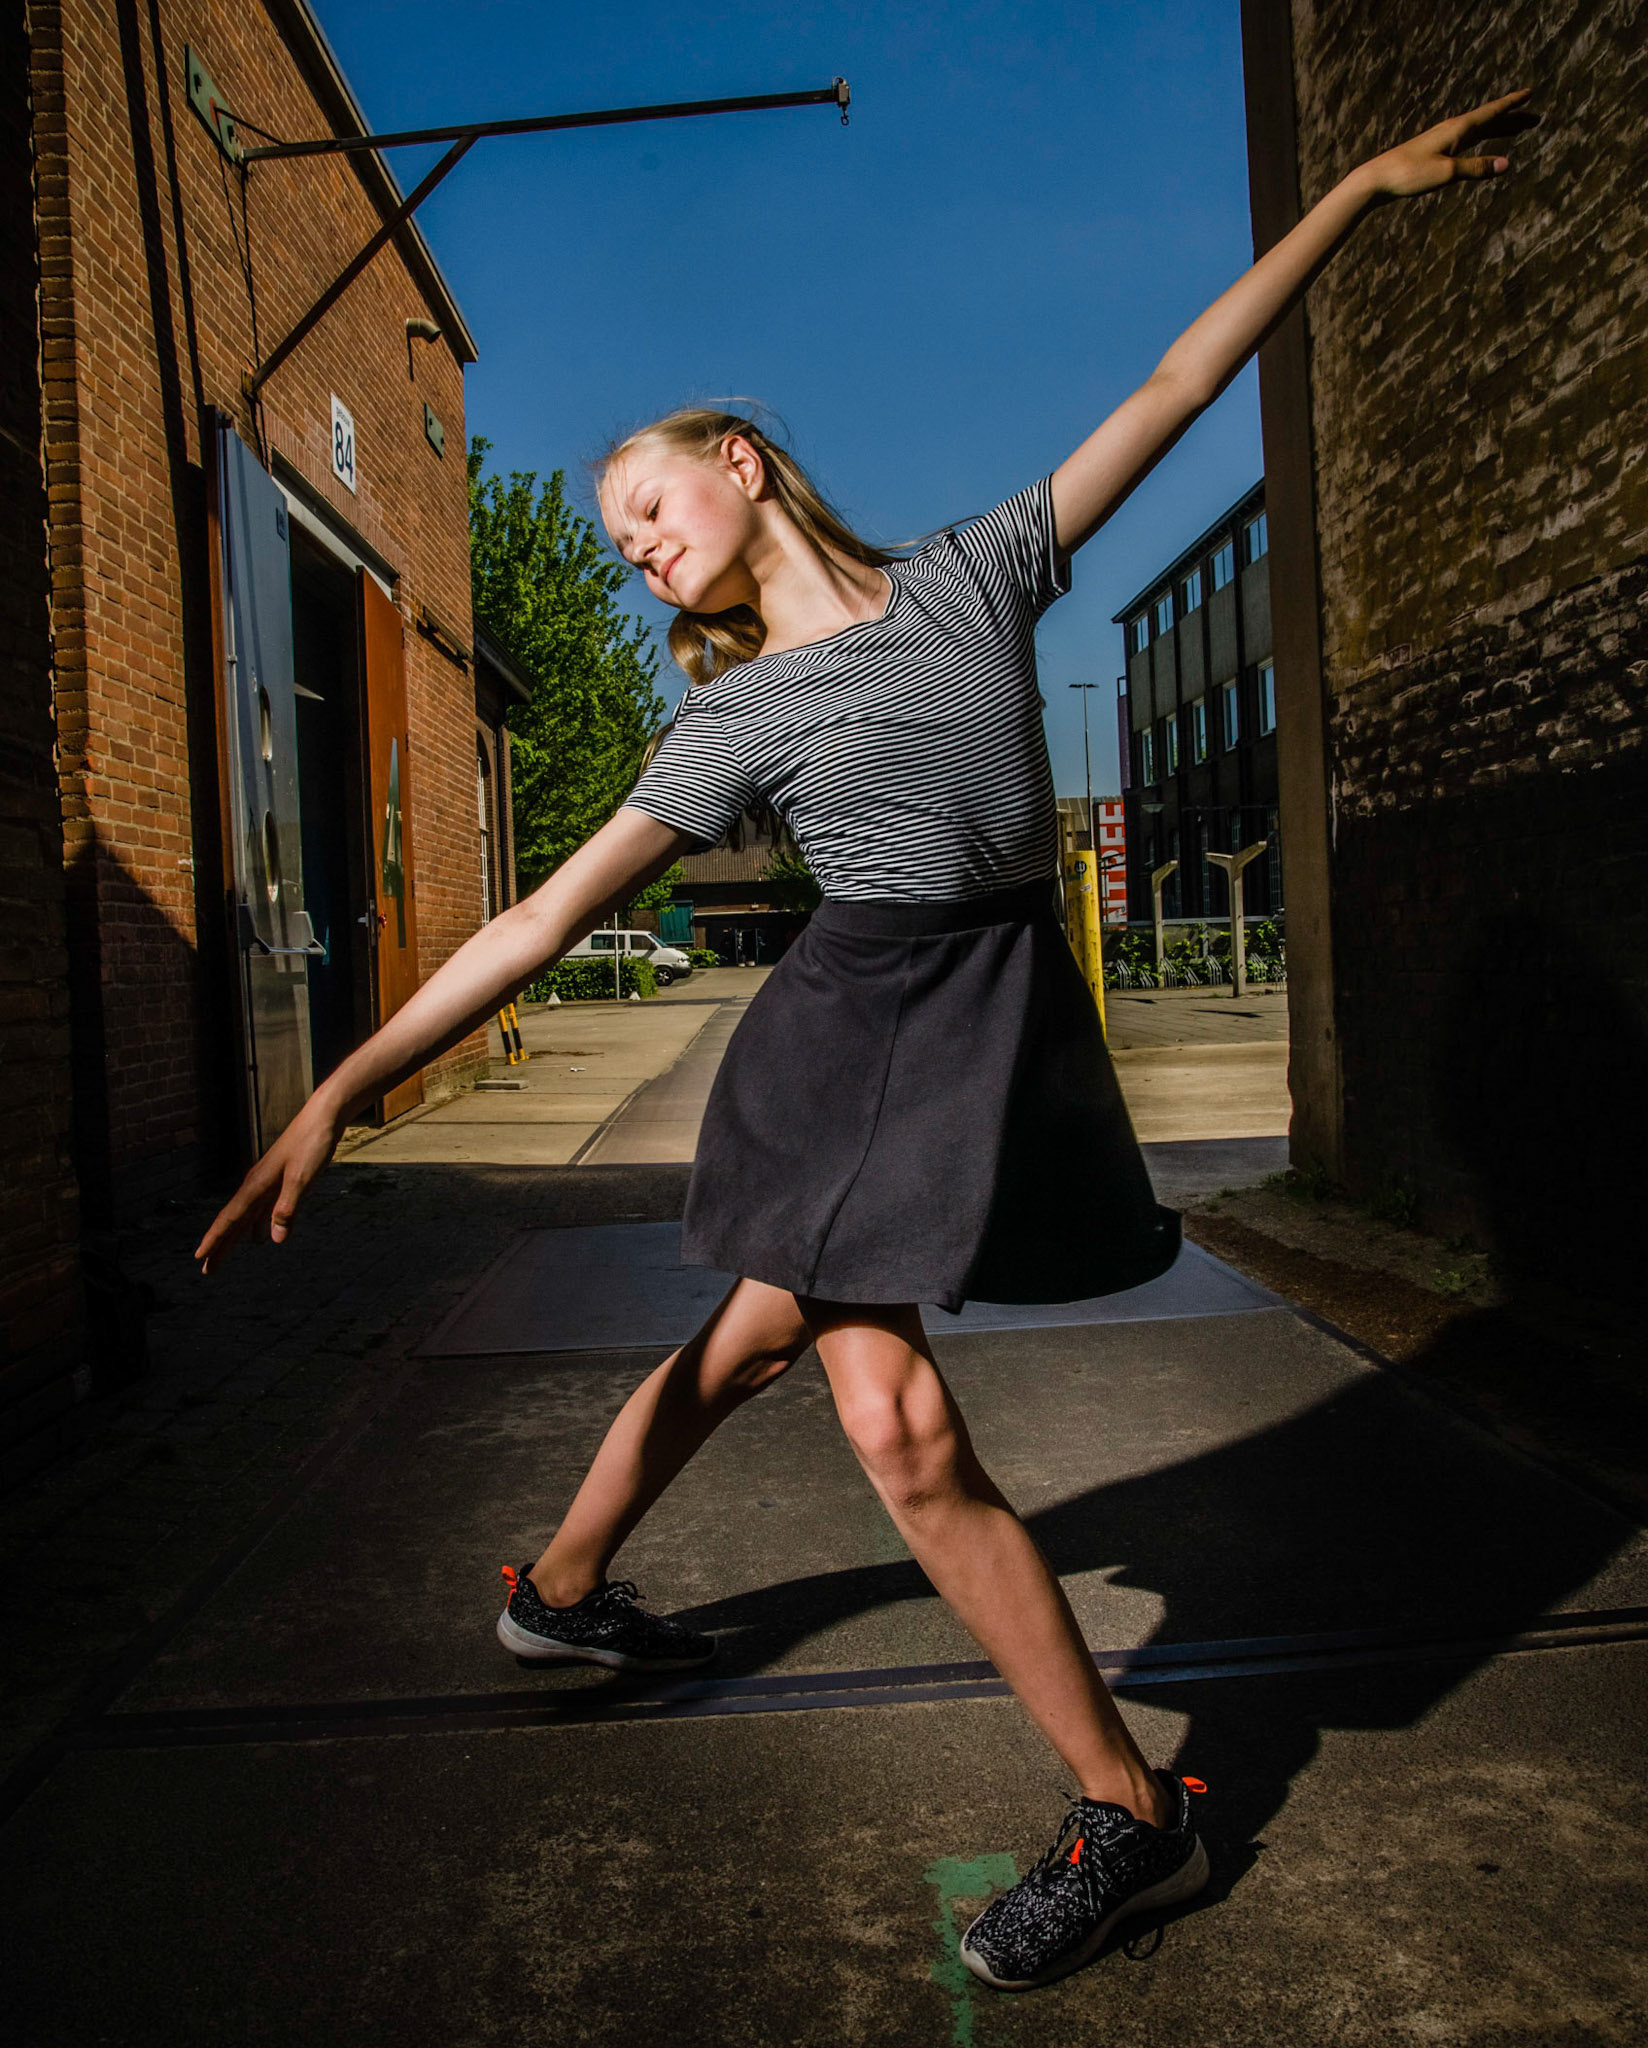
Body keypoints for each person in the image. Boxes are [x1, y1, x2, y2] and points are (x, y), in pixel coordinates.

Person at [197, 91, 1534, 1993]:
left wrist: (1349, 195)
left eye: (647, 510)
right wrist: (336, 1084)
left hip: (982, 1038)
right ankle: (1138, 1819)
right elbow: (535, 916)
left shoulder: (984, 574)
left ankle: (563, 1596)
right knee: (893, 1419)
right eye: (620, 545)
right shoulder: (733, 725)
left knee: (746, 1340)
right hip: (847, 1050)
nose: (636, 553)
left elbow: (1170, 384)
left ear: (742, 464)